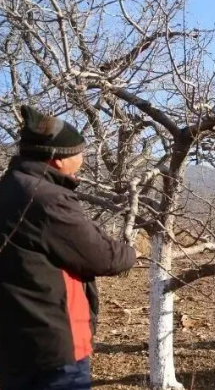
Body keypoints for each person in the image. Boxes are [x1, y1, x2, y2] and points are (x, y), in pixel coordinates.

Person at [0, 106, 137, 390]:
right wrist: (132, 251)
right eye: (79, 152)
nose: (82, 159)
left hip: (12, 342)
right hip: (51, 343)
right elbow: (102, 257)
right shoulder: (48, 200)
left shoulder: (9, 188)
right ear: (59, 159)